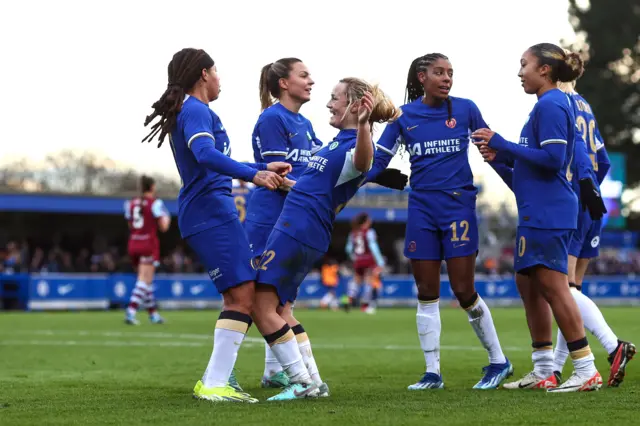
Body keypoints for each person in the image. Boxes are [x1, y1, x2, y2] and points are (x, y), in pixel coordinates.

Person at [141, 47, 290, 403]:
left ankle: (219, 378)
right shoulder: (196, 110)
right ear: (204, 74)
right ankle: (218, 382)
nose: (220, 78)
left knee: (239, 296)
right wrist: (255, 174)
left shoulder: (195, 111)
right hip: (209, 211)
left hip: (210, 210)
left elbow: (212, 160)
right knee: (244, 297)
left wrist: (261, 168)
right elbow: (206, 156)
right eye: (217, 71)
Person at [366, 53, 512, 390]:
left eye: (450, 73)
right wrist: (347, 182)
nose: (447, 78)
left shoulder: (466, 109)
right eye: (439, 73)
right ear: (422, 77)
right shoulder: (403, 117)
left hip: (458, 206)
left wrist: (519, 184)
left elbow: (491, 154)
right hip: (421, 208)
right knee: (426, 292)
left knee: (464, 290)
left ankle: (498, 361)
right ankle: (432, 373)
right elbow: (376, 163)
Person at [251, 77, 399, 400]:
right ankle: (313, 381)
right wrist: (274, 178)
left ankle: (302, 383)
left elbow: (364, 163)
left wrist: (363, 126)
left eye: (335, 98)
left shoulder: (355, 144)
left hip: (298, 229)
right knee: (282, 309)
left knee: (260, 307)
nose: (329, 104)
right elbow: (311, 186)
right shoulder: (335, 143)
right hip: (302, 228)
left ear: (354, 106)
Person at [473, 43, 602, 392]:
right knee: (528, 285)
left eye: (524, 64)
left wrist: (502, 142)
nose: (519, 72)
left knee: (554, 287)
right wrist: (497, 159)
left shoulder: (552, 103)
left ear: (544, 69)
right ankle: (545, 369)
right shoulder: (543, 107)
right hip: (536, 209)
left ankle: (586, 368)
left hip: (551, 211)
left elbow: (553, 160)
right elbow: (526, 178)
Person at [244, 58, 323, 390]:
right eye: (304, 75)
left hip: (292, 218)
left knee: (281, 303)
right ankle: (223, 373)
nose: (311, 81)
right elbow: (277, 178)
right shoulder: (273, 119)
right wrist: (317, 195)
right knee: (252, 299)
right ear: (283, 84)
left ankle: (277, 374)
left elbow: (322, 165)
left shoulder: (303, 123)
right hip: (268, 219)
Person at [553, 79, 635, 387]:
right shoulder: (585, 105)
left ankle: (613, 347)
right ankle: (557, 368)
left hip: (571, 202)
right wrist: (592, 188)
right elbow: (603, 161)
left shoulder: (557, 104)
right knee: (570, 290)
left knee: (562, 288)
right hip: (593, 203)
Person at [124, 175, 171, 325]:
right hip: (148, 244)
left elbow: (130, 225)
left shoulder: (131, 203)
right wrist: (167, 218)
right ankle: (131, 311)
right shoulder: (155, 203)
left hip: (133, 243)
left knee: (147, 282)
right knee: (144, 280)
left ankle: (153, 314)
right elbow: (163, 227)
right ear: (152, 187)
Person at [345, 212, 385, 312]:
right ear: (366, 221)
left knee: (356, 280)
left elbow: (348, 249)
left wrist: (354, 257)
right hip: (368, 259)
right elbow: (373, 247)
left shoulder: (353, 233)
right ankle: (365, 306)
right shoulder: (369, 232)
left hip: (358, 260)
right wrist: (380, 261)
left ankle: (349, 298)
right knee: (369, 281)